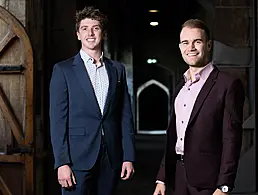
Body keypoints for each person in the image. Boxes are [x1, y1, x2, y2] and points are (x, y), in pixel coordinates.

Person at [49, 6, 135, 195]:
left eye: (95, 28)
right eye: (84, 28)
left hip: (111, 158)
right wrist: (61, 162)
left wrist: (128, 156)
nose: (90, 33)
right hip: (77, 159)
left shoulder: (117, 69)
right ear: (78, 34)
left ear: (103, 33)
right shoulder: (63, 70)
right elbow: (57, 121)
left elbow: (125, 116)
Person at [153, 19, 245, 195]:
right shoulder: (180, 87)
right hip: (179, 178)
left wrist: (224, 186)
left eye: (197, 41)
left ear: (209, 45)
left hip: (209, 182)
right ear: (180, 47)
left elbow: (231, 139)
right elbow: (174, 136)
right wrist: (162, 178)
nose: (191, 47)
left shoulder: (227, 84)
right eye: (185, 43)